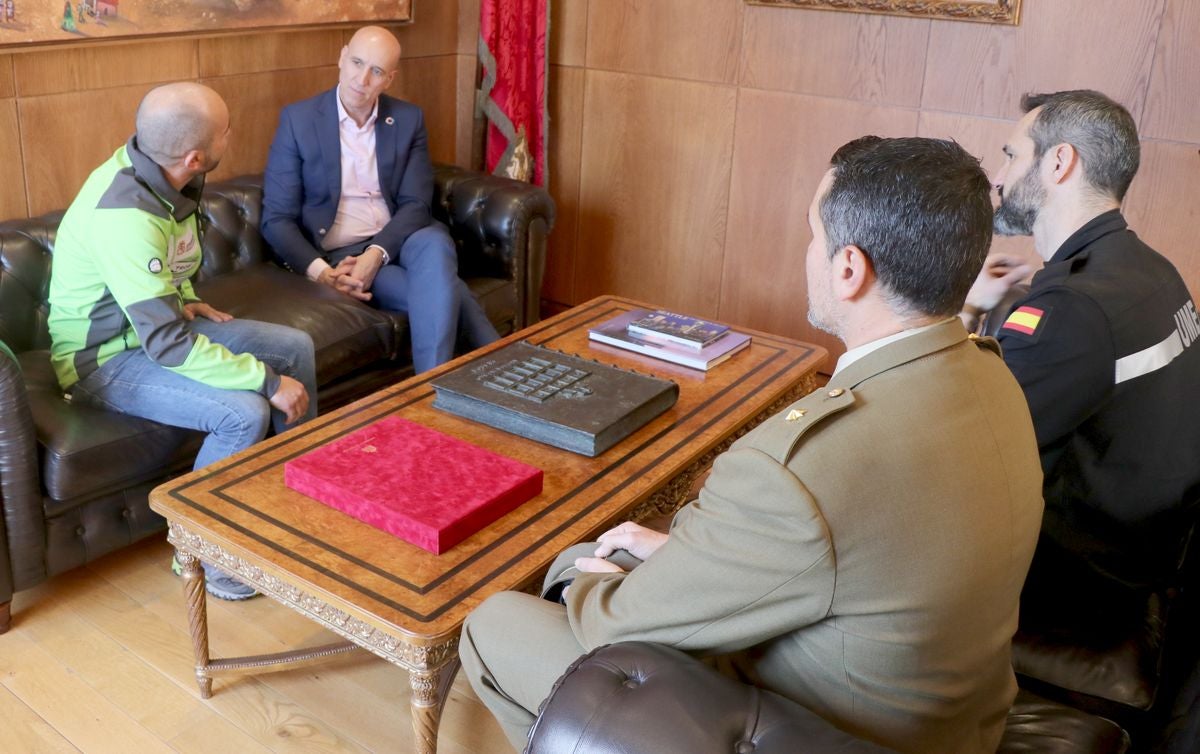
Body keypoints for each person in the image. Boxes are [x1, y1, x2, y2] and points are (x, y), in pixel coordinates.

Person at [460, 137, 1045, 754]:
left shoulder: (800, 469)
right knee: (617, 555)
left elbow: (615, 623)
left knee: (503, 616)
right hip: (953, 718)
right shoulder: (991, 375)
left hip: (830, 729)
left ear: (850, 269)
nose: (808, 254)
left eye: (814, 236)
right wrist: (684, 554)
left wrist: (584, 581)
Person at [48, 82, 318, 601]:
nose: (231, 134)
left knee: (295, 348)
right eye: (226, 130)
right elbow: (167, 346)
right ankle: (204, 559)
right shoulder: (124, 214)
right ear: (197, 155)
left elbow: (164, 266)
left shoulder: (164, 171)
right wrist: (266, 383)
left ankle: (289, 507)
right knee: (244, 412)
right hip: (102, 360)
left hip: (148, 328)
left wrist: (180, 296)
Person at [962, 90, 1200, 619]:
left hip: (1085, 577)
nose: (999, 178)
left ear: (1059, 161)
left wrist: (961, 315)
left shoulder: (1071, 308)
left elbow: (964, 452)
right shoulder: (1150, 268)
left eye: (1011, 155)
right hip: (1150, 545)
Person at [261, 25, 498, 374]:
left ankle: (427, 392)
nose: (362, 79)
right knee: (443, 292)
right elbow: (275, 219)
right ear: (342, 58)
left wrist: (378, 253)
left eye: (376, 71)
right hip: (344, 253)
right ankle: (503, 365)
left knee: (436, 244)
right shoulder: (299, 120)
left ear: (390, 78)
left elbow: (416, 204)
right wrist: (323, 273)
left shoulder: (407, 118)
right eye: (356, 62)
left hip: (403, 238)